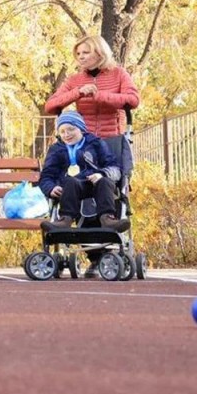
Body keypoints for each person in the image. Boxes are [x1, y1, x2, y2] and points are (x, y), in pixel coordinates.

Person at [45, 34, 139, 276]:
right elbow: (52, 105)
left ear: (100, 52)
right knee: (78, 191)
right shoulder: (75, 79)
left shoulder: (118, 74)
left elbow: (132, 100)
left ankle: (107, 247)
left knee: (108, 188)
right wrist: (78, 93)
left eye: (85, 52)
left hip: (111, 140)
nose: (81, 57)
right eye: (78, 54)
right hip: (82, 142)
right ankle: (94, 256)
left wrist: (98, 95)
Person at [38, 111, 129, 233]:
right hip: (70, 188)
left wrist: (102, 174)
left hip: (95, 183)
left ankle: (108, 219)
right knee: (70, 181)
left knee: (104, 181)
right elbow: (46, 176)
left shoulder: (96, 143)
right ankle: (65, 220)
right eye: (62, 131)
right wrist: (51, 188)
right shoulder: (56, 150)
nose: (66, 134)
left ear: (81, 128)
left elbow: (115, 168)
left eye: (71, 129)